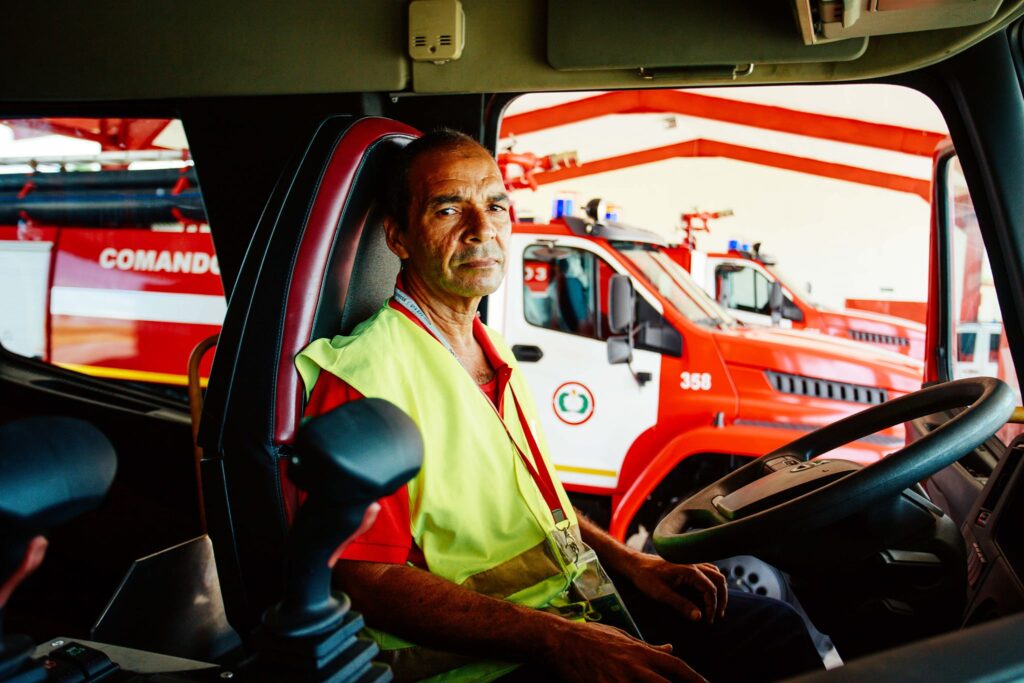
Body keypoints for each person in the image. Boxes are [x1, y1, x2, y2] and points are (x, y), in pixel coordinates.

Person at [295, 129, 823, 682]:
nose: (482, 230)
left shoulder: (484, 347)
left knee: (772, 630)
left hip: (565, 612)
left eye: (495, 205)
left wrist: (634, 563)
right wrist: (554, 638)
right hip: (476, 663)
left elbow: (536, 507)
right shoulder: (365, 374)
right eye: (449, 209)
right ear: (398, 237)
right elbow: (368, 579)